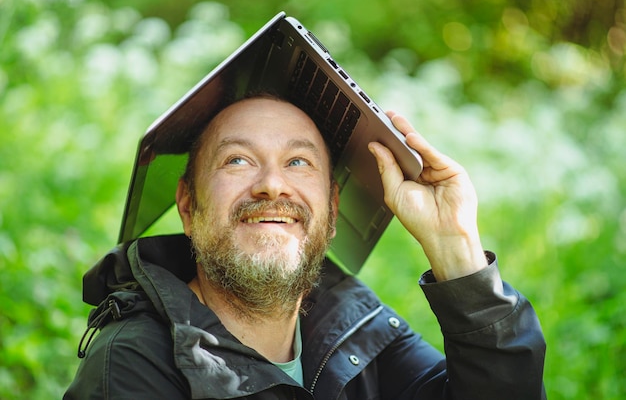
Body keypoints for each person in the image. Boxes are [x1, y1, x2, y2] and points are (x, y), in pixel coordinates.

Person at [64, 94, 546, 399]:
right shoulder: (135, 364)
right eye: (237, 160)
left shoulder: (360, 334)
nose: (272, 185)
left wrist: (454, 245)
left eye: (298, 162)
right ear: (188, 206)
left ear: (333, 211)